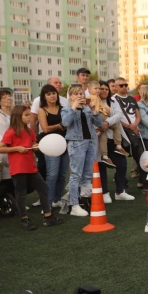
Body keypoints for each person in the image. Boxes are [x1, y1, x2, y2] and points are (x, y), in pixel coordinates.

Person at [0, 105, 64, 230]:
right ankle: (24, 219)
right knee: (21, 194)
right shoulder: (11, 132)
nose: (29, 117)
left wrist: (36, 145)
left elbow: (32, 143)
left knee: (43, 188)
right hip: (18, 168)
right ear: (17, 117)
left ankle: (48, 216)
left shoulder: (29, 131)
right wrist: (16, 148)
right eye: (26, 115)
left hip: (31, 167)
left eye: (29, 114)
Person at [62, 86, 102, 217]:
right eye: (76, 94)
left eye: (81, 94)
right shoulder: (67, 109)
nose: (79, 96)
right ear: (70, 97)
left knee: (87, 175)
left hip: (90, 142)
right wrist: (73, 107)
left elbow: (99, 123)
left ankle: (85, 201)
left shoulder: (87, 109)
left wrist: (95, 111)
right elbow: (66, 123)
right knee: (76, 175)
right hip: (76, 143)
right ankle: (74, 205)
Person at [97, 81, 134, 203]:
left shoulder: (113, 101)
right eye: (101, 89)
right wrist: (101, 124)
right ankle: (105, 193)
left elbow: (119, 115)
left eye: (106, 89)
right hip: (100, 139)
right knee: (102, 166)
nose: (104, 91)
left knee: (122, 164)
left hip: (114, 138)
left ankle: (120, 191)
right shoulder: (93, 102)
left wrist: (107, 122)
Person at [37, 84, 68, 209]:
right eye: (49, 94)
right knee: (52, 175)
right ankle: (47, 203)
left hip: (65, 143)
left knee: (62, 175)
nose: (52, 96)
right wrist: (60, 125)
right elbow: (45, 128)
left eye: (54, 93)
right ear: (44, 96)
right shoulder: (42, 110)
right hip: (50, 145)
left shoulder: (63, 108)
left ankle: (57, 199)